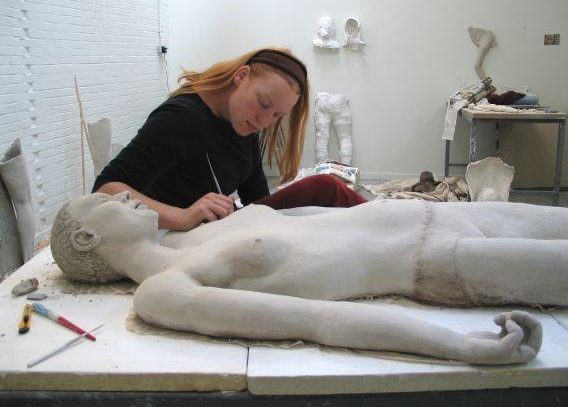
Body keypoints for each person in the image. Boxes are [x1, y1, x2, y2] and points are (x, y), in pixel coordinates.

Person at [51, 192, 568, 365]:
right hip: (433, 259)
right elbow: (319, 321)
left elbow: (312, 221)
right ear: (86, 239)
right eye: (102, 203)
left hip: (431, 214)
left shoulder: (194, 234)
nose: (122, 195)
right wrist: (458, 346)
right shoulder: (166, 290)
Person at [93, 47, 366, 231]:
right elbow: (104, 189)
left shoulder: (244, 121)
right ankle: (388, 224)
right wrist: (182, 216)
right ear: (241, 76)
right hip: (175, 235)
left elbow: (256, 197)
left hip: (218, 225)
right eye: (263, 104)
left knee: (325, 191)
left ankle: (385, 220)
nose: (264, 121)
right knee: (325, 187)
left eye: (276, 115)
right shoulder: (182, 118)